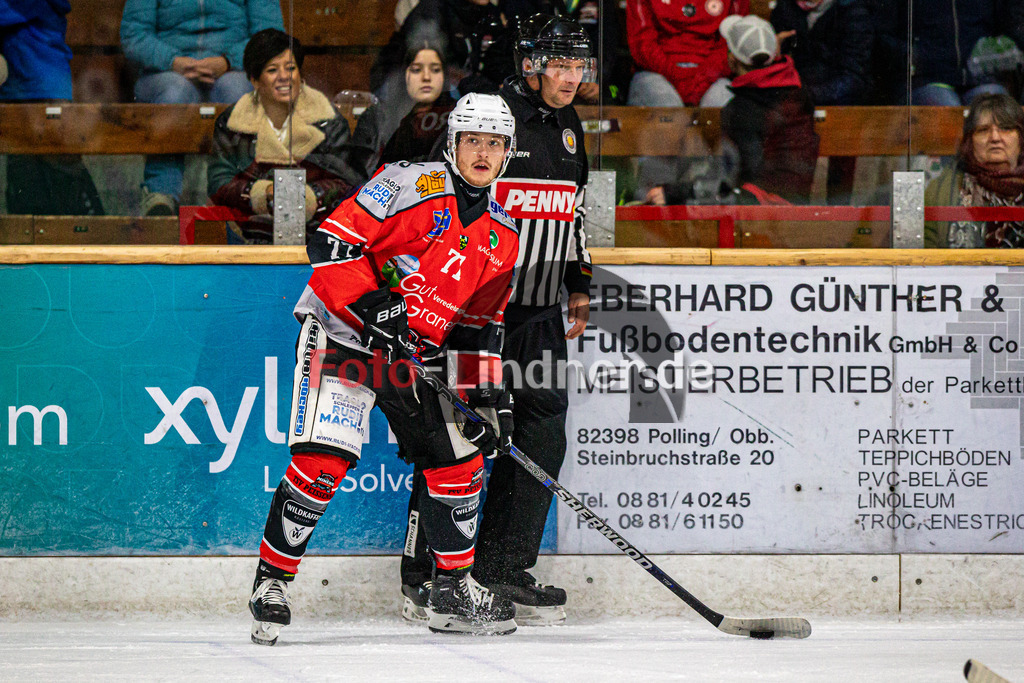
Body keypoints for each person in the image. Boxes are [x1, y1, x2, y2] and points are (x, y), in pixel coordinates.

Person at [248, 92, 522, 644]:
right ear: (452, 143)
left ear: (508, 153)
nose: (483, 153)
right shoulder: (407, 184)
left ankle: (450, 589)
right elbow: (330, 241)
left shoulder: (504, 235)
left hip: (409, 356)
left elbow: (478, 326)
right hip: (344, 338)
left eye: (495, 144)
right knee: (324, 460)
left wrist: (490, 398)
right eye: (473, 140)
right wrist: (373, 306)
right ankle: (271, 583)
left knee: (458, 460)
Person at [402, 14, 593, 627]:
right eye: (561, 64)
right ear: (532, 63)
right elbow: (438, 204)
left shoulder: (568, 126)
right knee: (451, 439)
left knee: (542, 432)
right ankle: (426, 574)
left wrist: (578, 281)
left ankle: (503, 571)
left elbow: (575, 211)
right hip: (476, 313)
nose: (573, 76)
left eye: (579, 63)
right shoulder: (487, 119)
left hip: (537, 314)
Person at [120, 0, 283, 215]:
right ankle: (160, 195)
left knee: (238, 93)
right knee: (174, 93)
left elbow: (270, 35)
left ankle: (241, 192)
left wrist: (228, 61)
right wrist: (173, 61)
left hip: (233, 70)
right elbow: (134, 33)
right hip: (166, 72)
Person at [206, 30, 366, 244]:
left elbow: (347, 182)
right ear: (254, 80)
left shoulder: (329, 120)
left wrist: (309, 196)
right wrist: (263, 193)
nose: (284, 77)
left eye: (291, 68)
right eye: (272, 70)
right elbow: (219, 182)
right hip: (247, 234)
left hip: (317, 235)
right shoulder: (232, 121)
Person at [647, 14, 820, 206]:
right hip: (795, 205)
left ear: (732, 59)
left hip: (763, 212)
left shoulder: (742, 110)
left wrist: (674, 193)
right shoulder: (797, 90)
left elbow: (735, 179)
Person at [1, 0, 104, 216]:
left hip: (46, 88)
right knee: (24, 177)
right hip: (16, 90)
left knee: (63, 171)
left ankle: (93, 226)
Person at [872, 0, 1024, 106]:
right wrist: (914, 57)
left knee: (995, 112)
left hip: (981, 76)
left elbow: (1013, 25)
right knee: (945, 109)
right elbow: (883, 34)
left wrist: (995, 55)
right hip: (926, 78)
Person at [925, 93, 1024, 248]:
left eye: (1005, 128)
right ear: (970, 142)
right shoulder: (939, 190)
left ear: (1020, 139)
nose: (995, 138)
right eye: (983, 130)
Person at [370, 0, 515, 100]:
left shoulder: (489, 13)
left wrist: (506, 85)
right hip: (402, 94)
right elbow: (439, 71)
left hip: (460, 91)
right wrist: (491, 89)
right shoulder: (432, 12)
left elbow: (499, 59)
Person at [352, 43, 457, 178]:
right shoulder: (377, 116)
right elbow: (359, 174)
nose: (426, 77)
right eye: (416, 69)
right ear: (403, 75)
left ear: (444, 76)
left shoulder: (457, 117)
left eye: (435, 70)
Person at [625, 0, 748, 107]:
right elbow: (642, 43)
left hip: (714, 74)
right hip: (656, 72)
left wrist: (702, 79)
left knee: (721, 107)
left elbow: (731, 42)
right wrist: (678, 78)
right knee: (669, 111)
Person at [770, 0, 873, 106]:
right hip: (797, 97)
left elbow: (854, 78)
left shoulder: (854, 12)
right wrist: (773, 54)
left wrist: (803, 95)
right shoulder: (786, 7)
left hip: (839, 102)